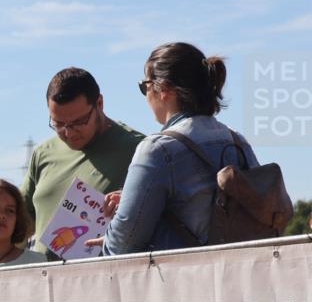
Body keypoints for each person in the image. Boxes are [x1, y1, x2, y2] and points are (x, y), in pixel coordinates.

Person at [0, 68, 142, 265]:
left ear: (99, 104)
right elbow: (18, 220)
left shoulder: (139, 150)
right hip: (37, 283)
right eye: (58, 124)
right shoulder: (43, 153)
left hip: (98, 283)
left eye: (78, 122)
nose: (68, 132)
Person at [90, 42, 258, 255]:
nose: (146, 95)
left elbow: (122, 244)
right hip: (243, 273)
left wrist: (117, 225)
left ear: (164, 90)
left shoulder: (158, 149)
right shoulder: (236, 140)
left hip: (185, 280)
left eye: (145, 87)